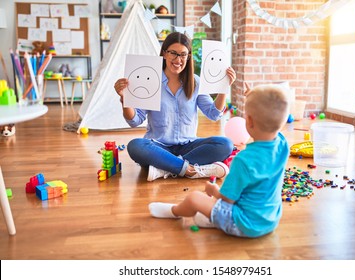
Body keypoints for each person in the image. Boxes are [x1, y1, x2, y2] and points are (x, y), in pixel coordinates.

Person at [149, 84, 290, 238]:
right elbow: (272, 118)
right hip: (270, 221)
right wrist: (254, 98)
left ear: (248, 121)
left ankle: (175, 211)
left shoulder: (243, 160)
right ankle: (213, 219)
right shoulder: (283, 145)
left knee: (194, 198)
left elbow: (228, 199)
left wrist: (213, 190)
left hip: (243, 224)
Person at [114, 32, 236, 181]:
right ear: (164, 54)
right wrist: (125, 99)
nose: (178, 59)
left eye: (183, 55)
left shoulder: (195, 82)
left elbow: (213, 114)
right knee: (135, 146)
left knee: (225, 144)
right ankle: (187, 168)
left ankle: (166, 168)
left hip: (189, 145)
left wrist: (224, 87)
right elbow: (135, 120)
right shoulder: (151, 80)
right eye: (173, 53)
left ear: (188, 57)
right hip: (158, 147)